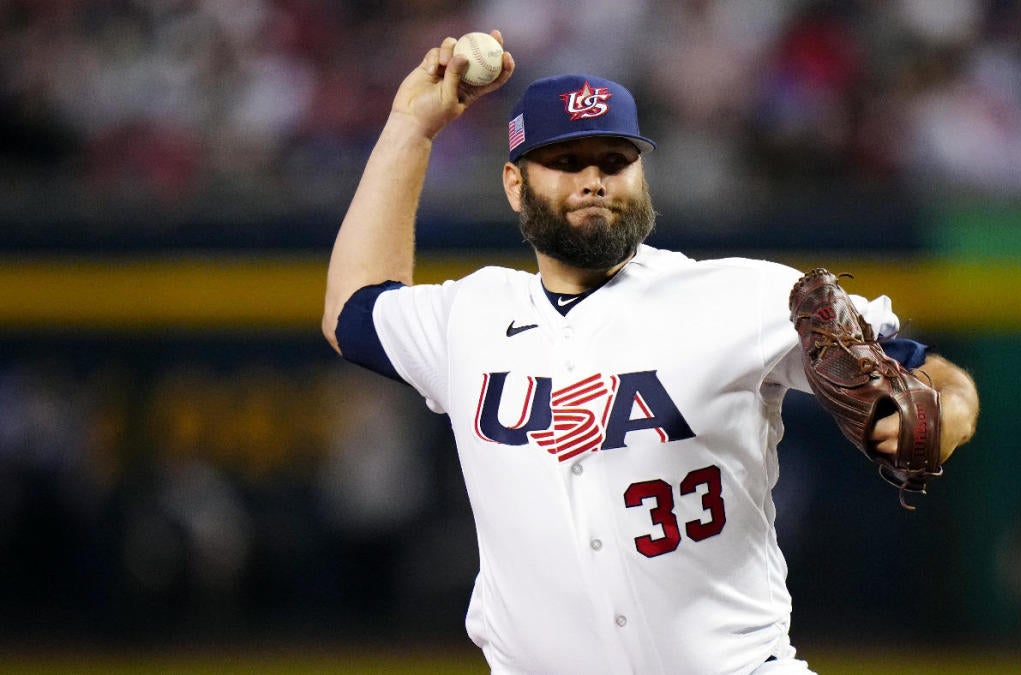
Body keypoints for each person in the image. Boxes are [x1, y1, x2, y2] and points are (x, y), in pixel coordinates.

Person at [322, 31, 979, 675]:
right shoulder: (471, 314)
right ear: (516, 185)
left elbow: (923, 368)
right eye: (566, 161)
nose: (593, 179)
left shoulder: (738, 295)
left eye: (614, 160)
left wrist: (946, 414)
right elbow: (352, 307)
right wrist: (411, 129)